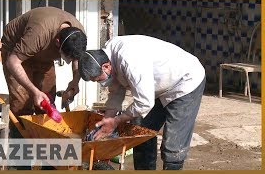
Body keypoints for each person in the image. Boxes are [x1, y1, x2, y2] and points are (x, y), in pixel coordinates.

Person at [78, 35, 206, 170]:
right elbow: (116, 91)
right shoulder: (107, 56)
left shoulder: (130, 61)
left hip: (185, 81)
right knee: (140, 133)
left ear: (106, 66)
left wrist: (117, 121)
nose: (100, 83)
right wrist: (109, 118)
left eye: (98, 79)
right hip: (156, 87)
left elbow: (144, 103)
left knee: (173, 146)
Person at [0, 7, 87, 138]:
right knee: (22, 105)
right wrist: (34, 91)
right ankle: (21, 149)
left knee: (47, 101)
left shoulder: (78, 33)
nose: (68, 61)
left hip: (43, 53)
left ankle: (45, 144)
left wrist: (75, 82)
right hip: (16, 52)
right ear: (58, 42)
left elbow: (78, 59)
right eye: (65, 56)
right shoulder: (39, 33)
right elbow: (12, 62)